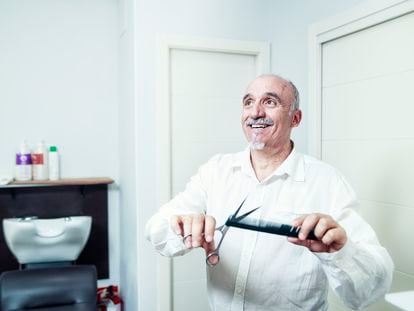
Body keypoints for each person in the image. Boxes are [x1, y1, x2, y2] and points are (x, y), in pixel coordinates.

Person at [145, 74, 394, 310]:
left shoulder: (327, 182)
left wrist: (341, 251)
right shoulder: (215, 171)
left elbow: (368, 293)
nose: (256, 112)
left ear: (295, 118)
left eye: (270, 102)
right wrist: (183, 226)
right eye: (248, 102)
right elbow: (156, 230)